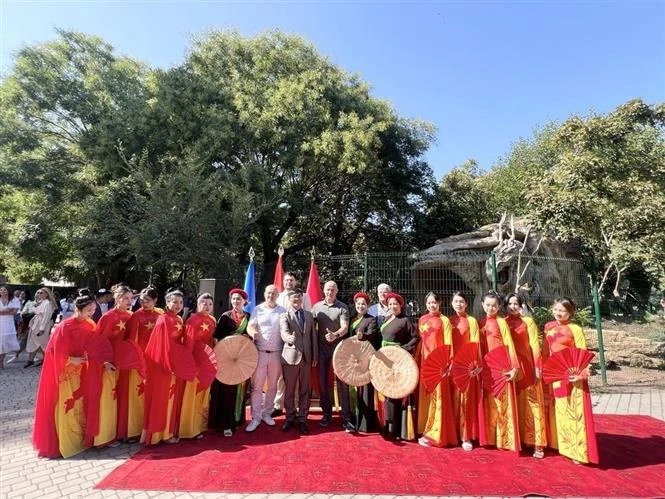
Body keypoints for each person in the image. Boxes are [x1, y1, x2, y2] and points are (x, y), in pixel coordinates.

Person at [32, 295, 115, 458]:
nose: (91, 313)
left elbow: (94, 347)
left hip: (82, 371)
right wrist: (71, 359)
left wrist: (102, 361)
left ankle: (79, 439)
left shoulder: (90, 324)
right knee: (66, 404)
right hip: (66, 372)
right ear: (78, 309)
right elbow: (54, 352)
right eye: (88, 310)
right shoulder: (65, 326)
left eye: (93, 309)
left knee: (79, 404)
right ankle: (64, 442)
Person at [542, 297, 599, 464]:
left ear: (570, 313)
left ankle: (578, 451)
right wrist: (543, 370)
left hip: (572, 375)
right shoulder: (548, 327)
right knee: (558, 410)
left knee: (574, 412)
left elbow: (582, 352)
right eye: (556, 309)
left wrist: (581, 374)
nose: (558, 313)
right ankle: (560, 444)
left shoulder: (575, 329)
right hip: (555, 375)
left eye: (563, 311)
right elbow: (546, 352)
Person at [142, 289, 195, 445]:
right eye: (174, 302)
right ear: (167, 303)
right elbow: (160, 346)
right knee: (162, 400)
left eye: (180, 302)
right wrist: (168, 366)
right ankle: (159, 436)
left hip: (174, 365)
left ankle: (169, 431)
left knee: (170, 399)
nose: (178, 305)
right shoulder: (163, 319)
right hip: (163, 367)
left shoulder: (178, 318)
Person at [504, 293, 547, 458]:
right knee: (515, 404)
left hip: (527, 367)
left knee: (533, 404)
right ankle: (518, 439)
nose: (513, 306)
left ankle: (538, 443)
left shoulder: (528, 322)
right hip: (511, 369)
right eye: (510, 303)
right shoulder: (503, 323)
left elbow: (534, 345)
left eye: (516, 303)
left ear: (521, 306)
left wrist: (537, 367)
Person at [96, 285, 139, 444]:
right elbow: (99, 341)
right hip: (110, 363)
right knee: (109, 397)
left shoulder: (131, 316)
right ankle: (106, 435)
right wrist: (105, 362)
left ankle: (123, 431)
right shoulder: (108, 317)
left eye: (131, 298)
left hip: (126, 364)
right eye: (125, 298)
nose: (129, 301)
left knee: (123, 398)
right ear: (116, 298)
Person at [479, 291, 521, 455]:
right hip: (486, 368)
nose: (491, 308)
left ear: (499, 306)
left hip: (502, 369)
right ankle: (490, 437)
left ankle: (506, 438)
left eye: (494, 305)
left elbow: (510, 345)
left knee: (503, 403)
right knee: (489, 403)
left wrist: (514, 368)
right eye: (488, 305)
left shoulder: (501, 323)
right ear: (482, 305)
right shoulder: (480, 323)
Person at [417, 292, 458, 448]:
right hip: (425, 363)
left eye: (434, 302)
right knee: (426, 396)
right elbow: (422, 342)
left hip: (439, 365)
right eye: (429, 303)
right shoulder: (422, 320)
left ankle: (436, 433)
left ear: (439, 303)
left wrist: (449, 362)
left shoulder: (444, 320)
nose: (431, 305)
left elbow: (449, 343)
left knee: (438, 398)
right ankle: (424, 428)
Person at [378, 292, 419, 440]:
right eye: (390, 304)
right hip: (385, 359)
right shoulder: (388, 318)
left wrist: (403, 348)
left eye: (395, 304)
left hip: (397, 360)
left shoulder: (405, 321)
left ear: (401, 305)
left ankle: (394, 429)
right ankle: (386, 424)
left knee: (394, 394)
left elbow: (415, 338)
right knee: (386, 392)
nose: (392, 306)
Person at [209, 288, 251, 436]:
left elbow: (252, 338)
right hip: (226, 359)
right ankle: (225, 423)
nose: (235, 301)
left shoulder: (249, 317)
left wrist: (248, 337)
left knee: (240, 389)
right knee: (226, 390)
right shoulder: (225, 317)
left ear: (245, 301)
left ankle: (237, 420)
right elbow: (217, 337)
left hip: (242, 359)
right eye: (233, 299)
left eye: (238, 299)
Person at [312, 281, 352, 431]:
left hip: (339, 349)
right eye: (328, 289)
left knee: (343, 383)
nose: (330, 292)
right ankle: (327, 414)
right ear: (324, 290)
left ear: (337, 291)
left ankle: (346, 418)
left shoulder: (342, 307)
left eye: (333, 289)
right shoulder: (316, 307)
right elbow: (311, 327)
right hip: (321, 350)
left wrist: (335, 335)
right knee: (322, 383)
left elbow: (345, 327)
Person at [245, 285, 286, 432]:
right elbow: (250, 326)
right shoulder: (258, 309)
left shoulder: (283, 310)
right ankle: (255, 417)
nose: (271, 295)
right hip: (260, 353)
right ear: (264, 294)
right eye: (268, 293)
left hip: (276, 353)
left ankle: (267, 413)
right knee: (257, 387)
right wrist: (252, 333)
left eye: (274, 293)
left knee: (273, 386)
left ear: (277, 295)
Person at [273, 271, 312, 417]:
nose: (289, 282)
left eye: (291, 280)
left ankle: (299, 411)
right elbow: (283, 327)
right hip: (285, 346)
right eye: (287, 280)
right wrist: (288, 338)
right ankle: (279, 405)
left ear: (296, 282)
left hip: (303, 348)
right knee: (283, 380)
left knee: (302, 387)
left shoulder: (304, 296)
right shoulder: (280, 296)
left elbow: (309, 318)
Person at [179, 293, 217, 439]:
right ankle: (189, 429)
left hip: (207, 362)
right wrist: (189, 364)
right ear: (198, 304)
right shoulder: (192, 320)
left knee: (204, 393)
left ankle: (201, 425)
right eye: (204, 303)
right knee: (192, 394)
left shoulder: (212, 320)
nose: (207, 307)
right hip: (194, 361)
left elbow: (212, 341)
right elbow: (188, 344)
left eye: (210, 304)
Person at [449, 291, 483, 451]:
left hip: (466, 366)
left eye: (461, 301)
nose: (459, 304)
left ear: (466, 304)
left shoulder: (472, 321)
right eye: (456, 301)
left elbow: (475, 342)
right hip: (452, 365)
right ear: (451, 303)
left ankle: (466, 435)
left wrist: (474, 363)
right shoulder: (449, 321)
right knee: (452, 400)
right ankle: (452, 432)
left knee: (466, 401)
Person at [279, 288, 317, 435]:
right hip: (290, 357)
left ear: (302, 299)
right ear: (289, 300)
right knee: (289, 390)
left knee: (305, 391)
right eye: (294, 298)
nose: (297, 300)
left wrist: (314, 357)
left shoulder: (309, 315)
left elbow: (313, 337)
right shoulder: (284, 316)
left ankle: (302, 419)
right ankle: (289, 418)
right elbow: (284, 331)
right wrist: (289, 339)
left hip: (307, 359)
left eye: (299, 298)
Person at [348, 291, 379, 432]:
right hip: (352, 358)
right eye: (358, 304)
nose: (360, 306)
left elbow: (372, 334)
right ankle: (352, 419)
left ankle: (365, 423)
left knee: (365, 390)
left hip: (366, 359)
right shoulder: (352, 319)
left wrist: (363, 336)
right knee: (353, 389)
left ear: (368, 306)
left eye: (363, 304)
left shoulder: (371, 320)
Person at [25, 287, 57, 368]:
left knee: (43, 343)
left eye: (41, 293)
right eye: (38, 292)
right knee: (33, 342)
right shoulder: (41, 302)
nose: (39, 294)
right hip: (36, 324)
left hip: (42, 325)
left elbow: (46, 317)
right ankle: (31, 360)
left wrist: (42, 328)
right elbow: (34, 311)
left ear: (47, 294)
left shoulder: (48, 303)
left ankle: (46, 360)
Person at [0, 286, 21, 369]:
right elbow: (10, 311)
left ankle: (1, 362)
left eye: (4, 290)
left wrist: (2, 311)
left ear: (8, 291)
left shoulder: (14, 300)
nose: (2, 291)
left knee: (4, 344)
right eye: (1, 290)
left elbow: (14, 312)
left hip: (8, 325)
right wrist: (7, 310)